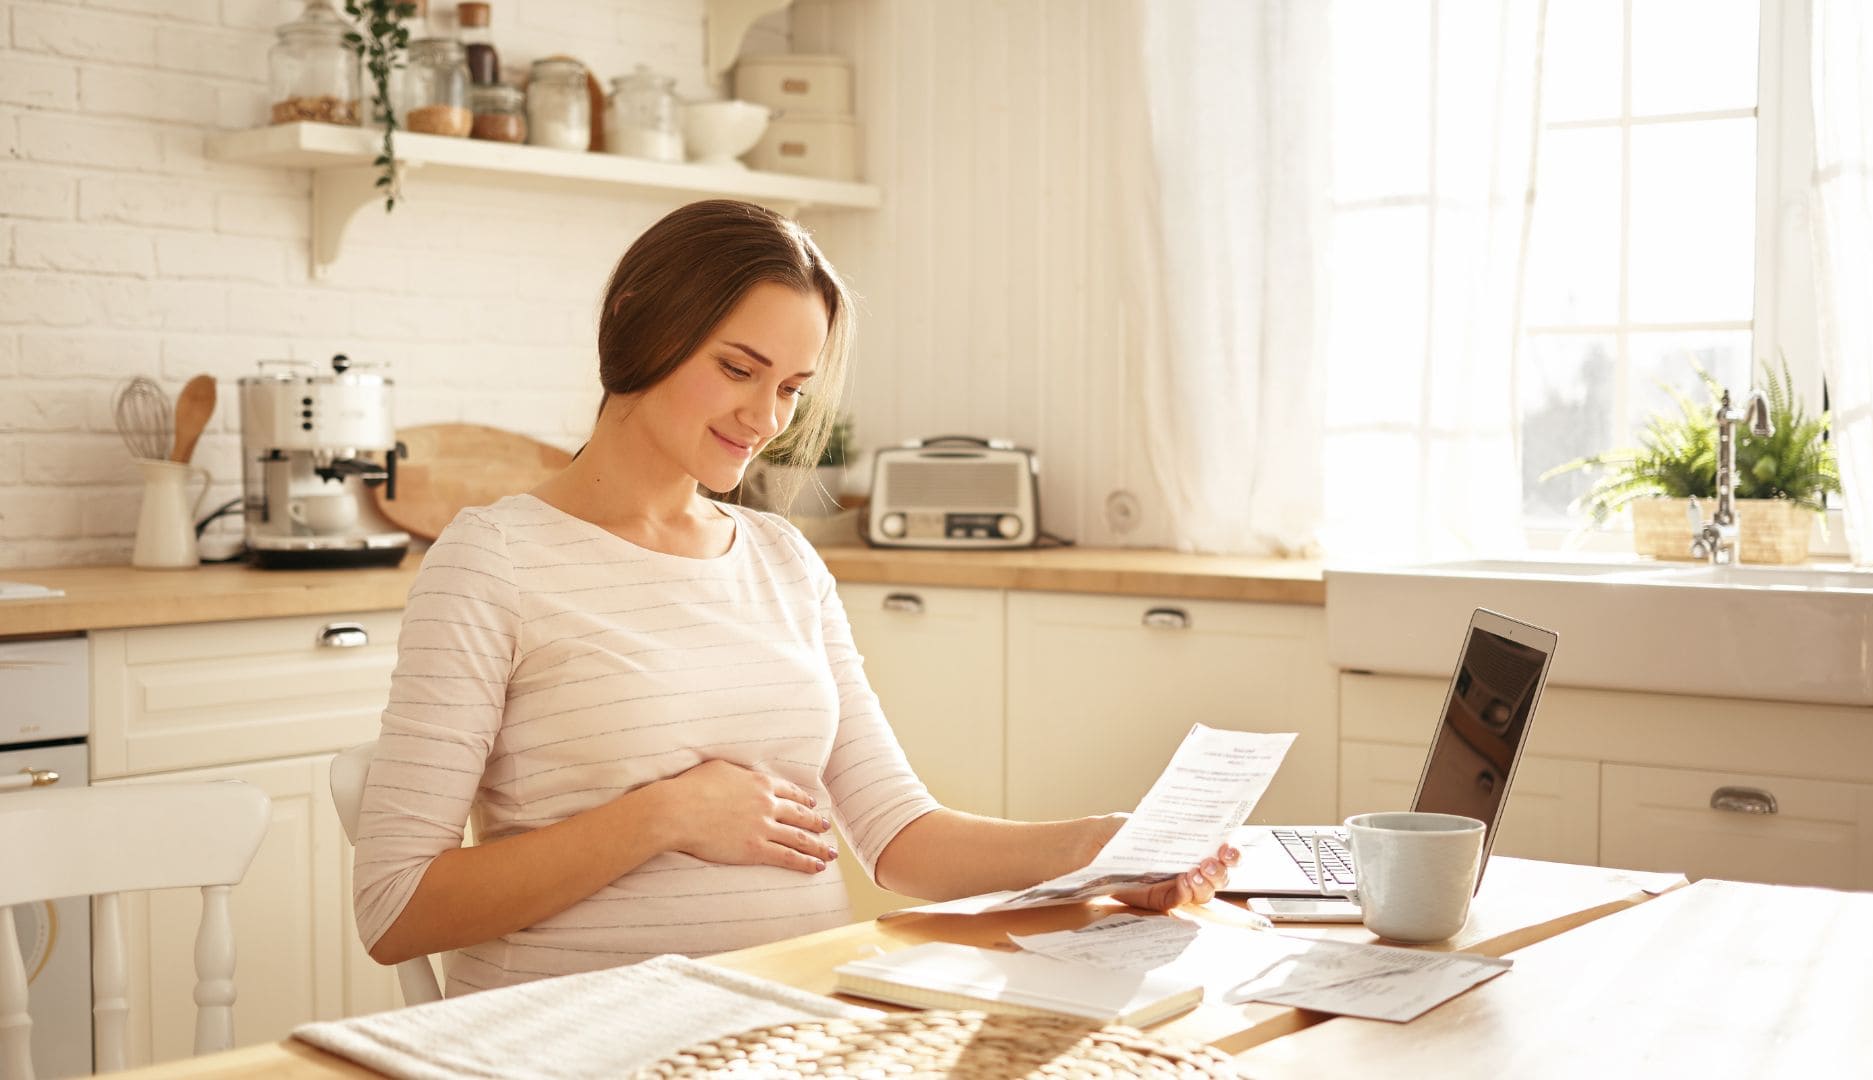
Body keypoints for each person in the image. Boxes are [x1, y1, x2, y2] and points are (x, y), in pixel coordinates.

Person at [351, 199, 1237, 995]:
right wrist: (665, 815)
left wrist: (1102, 852)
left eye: (789, 388)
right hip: (584, 1039)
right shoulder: (495, 559)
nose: (768, 419)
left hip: (797, 1022)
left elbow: (903, 838)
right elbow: (395, 911)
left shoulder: (781, 559)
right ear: (635, 322)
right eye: (739, 368)